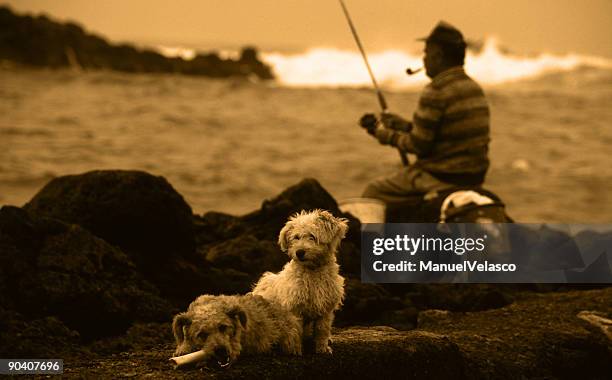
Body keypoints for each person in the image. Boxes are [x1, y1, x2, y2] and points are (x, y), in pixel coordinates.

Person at [360, 21, 490, 203]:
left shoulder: (436, 90)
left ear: (438, 56)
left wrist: (384, 135)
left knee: (374, 192)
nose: (424, 59)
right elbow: (445, 135)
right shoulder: (474, 88)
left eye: (426, 53)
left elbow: (418, 145)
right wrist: (404, 126)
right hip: (473, 178)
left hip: (441, 178)